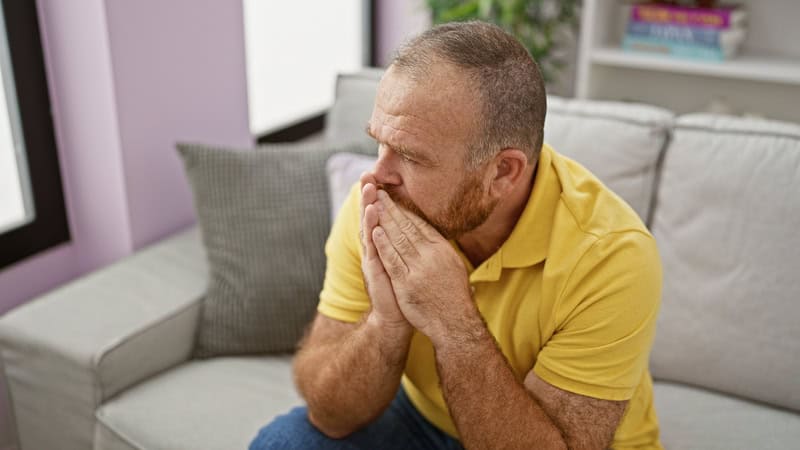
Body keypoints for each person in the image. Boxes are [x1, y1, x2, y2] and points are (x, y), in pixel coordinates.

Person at [249, 20, 663, 450]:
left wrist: (454, 325)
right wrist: (385, 323)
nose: (377, 175)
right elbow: (329, 416)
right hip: (421, 418)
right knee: (284, 443)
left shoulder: (611, 256)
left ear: (503, 172)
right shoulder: (379, 200)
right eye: (380, 142)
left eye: (410, 156)